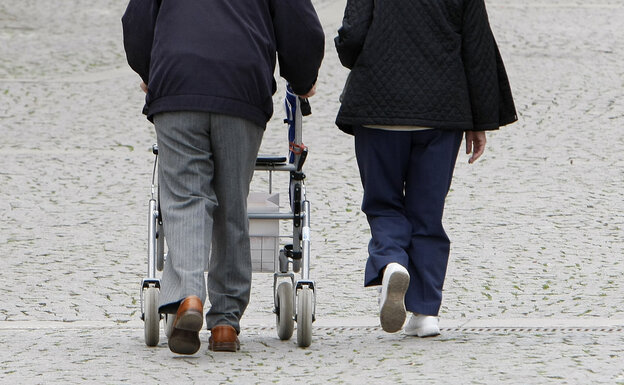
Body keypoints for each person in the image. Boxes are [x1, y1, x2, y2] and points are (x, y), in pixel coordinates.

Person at [122, 0, 324, 354]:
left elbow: (136, 20)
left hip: (177, 82)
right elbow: (301, 26)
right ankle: (226, 323)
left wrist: (150, 71)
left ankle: (188, 295)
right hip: (241, 85)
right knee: (232, 201)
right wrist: (303, 78)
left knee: (186, 198)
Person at [334, 0, 517, 337]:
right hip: (441, 111)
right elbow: (476, 46)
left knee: (383, 202)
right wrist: (480, 119)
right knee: (427, 213)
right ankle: (426, 312)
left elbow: (353, 35)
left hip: (379, 107)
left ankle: (391, 261)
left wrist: (348, 51)